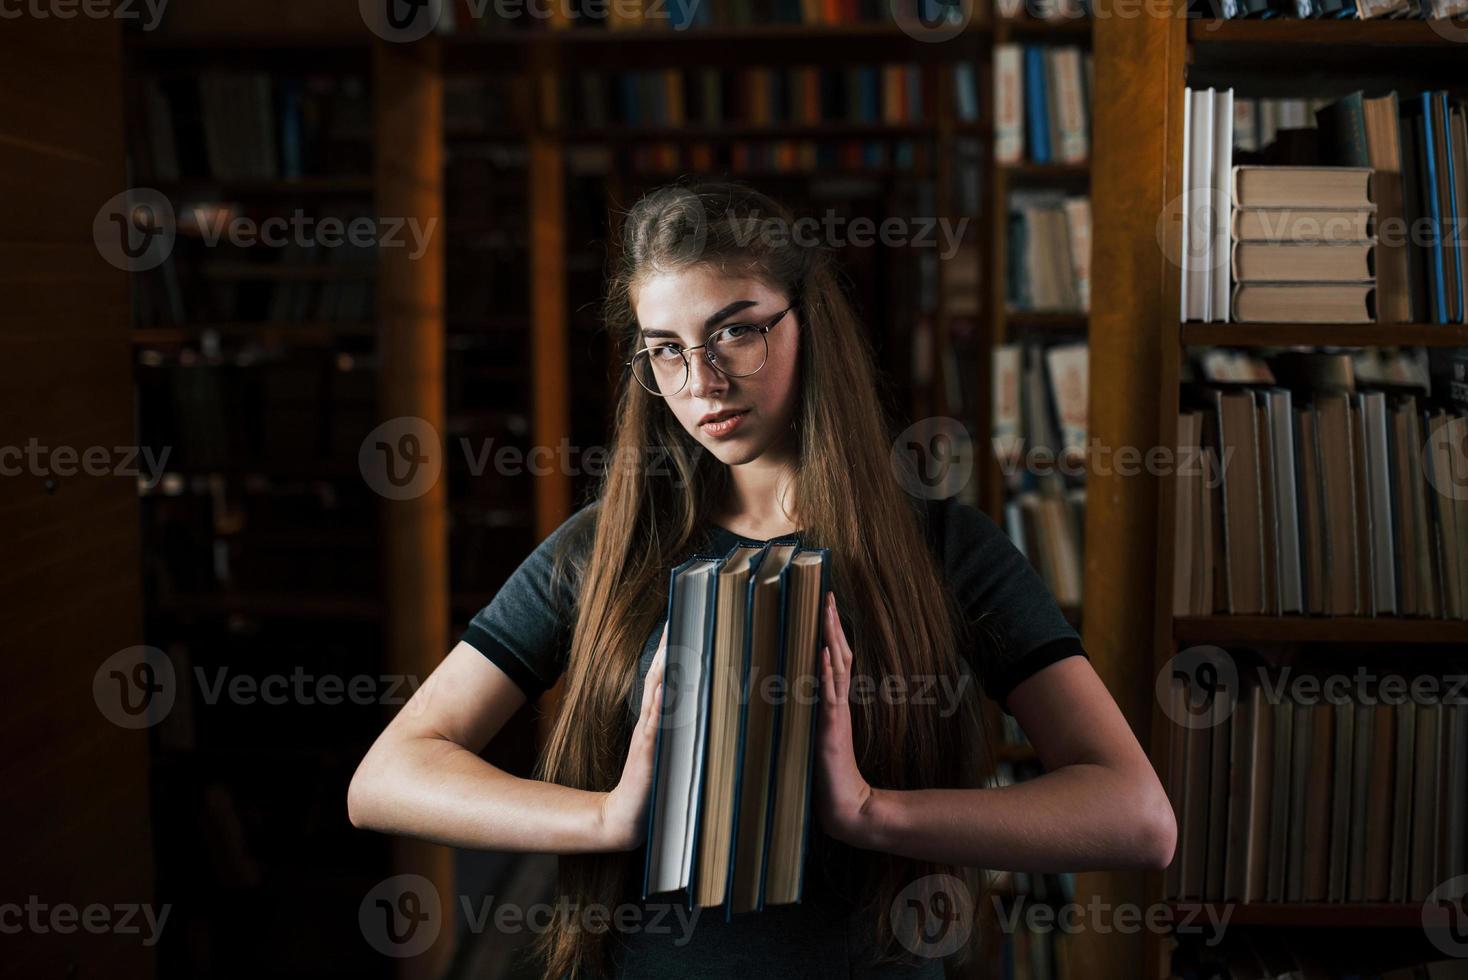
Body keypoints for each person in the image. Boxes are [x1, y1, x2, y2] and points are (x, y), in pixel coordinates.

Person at [347, 180, 1175, 979]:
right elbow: (388, 778)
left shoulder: (942, 545)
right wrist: (604, 818)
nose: (701, 383)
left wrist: (869, 811)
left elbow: (1135, 818)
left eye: (737, 332)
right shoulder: (601, 551)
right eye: (666, 350)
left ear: (805, 321)